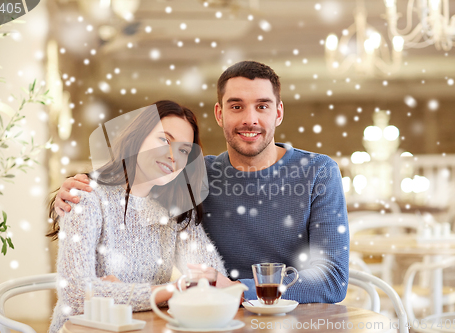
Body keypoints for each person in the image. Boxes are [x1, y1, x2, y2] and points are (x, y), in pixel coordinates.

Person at [54, 61, 350, 304]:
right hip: (212, 315)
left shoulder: (319, 172)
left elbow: (332, 279)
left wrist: (234, 288)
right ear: (219, 114)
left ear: (279, 112)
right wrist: (67, 194)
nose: (250, 119)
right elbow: (80, 287)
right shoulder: (190, 178)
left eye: (262, 106)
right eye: (236, 107)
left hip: (287, 317)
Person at [46, 100, 227, 333]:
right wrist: (172, 290)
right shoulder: (87, 197)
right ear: (137, 138)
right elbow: (77, 294)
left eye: (183, 150)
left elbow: (211, 282)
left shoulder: (177, 210)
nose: (173, 156)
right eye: (164, 140)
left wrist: (118, 292)